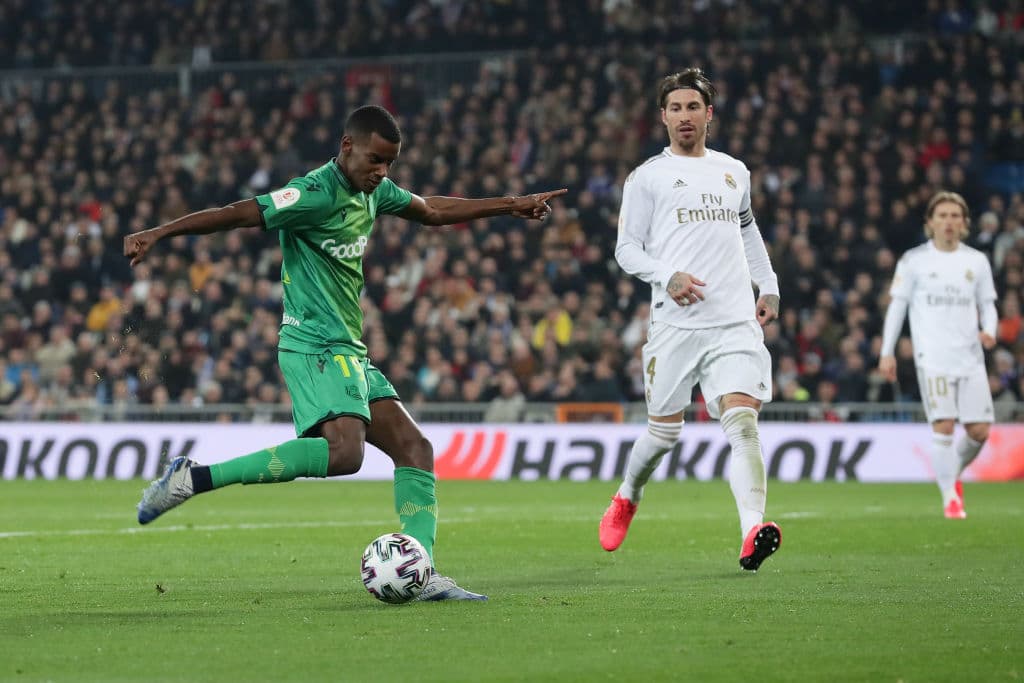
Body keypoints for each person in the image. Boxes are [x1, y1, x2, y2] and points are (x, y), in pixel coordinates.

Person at [125, 104, 566, 600]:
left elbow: (432, 210)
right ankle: (194, 478)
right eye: (376, 160)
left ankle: (420, 571)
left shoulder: (373, 192)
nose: (383, 172)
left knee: (415, 449)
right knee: (345, 454)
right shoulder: (312, 193)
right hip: (311, 344)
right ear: (347, 146)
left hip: (349, 349)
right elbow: (239, 213)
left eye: (390, 163)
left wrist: (510, 205)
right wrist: (159, 233)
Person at [599, 68, 783, 571]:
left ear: (709, 114)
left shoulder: (734, 171)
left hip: (733, 321)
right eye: (676, 108)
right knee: (663, 434)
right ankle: (627, 494)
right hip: (676, 325)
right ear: (663, 116)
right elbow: (625, 250)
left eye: (693, 107)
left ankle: (752, 530)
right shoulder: (647, 177)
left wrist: (768, 285)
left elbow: (748, 231)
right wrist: (668, 276)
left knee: (743, 424)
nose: (685, 116)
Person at [878, 191, 998, 519]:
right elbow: (897, 307)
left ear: (965, 223)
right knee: (943, 425)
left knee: (979, 432)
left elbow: (988, 304)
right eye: (942, 215)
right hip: (933, 357)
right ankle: (950, 500)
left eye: (955, 216)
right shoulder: (914, 261)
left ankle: (950, 473)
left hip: (970, 358)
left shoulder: (976, 261)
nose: (949, 222)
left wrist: (990, 329)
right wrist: (887, 352)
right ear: (930, 222)